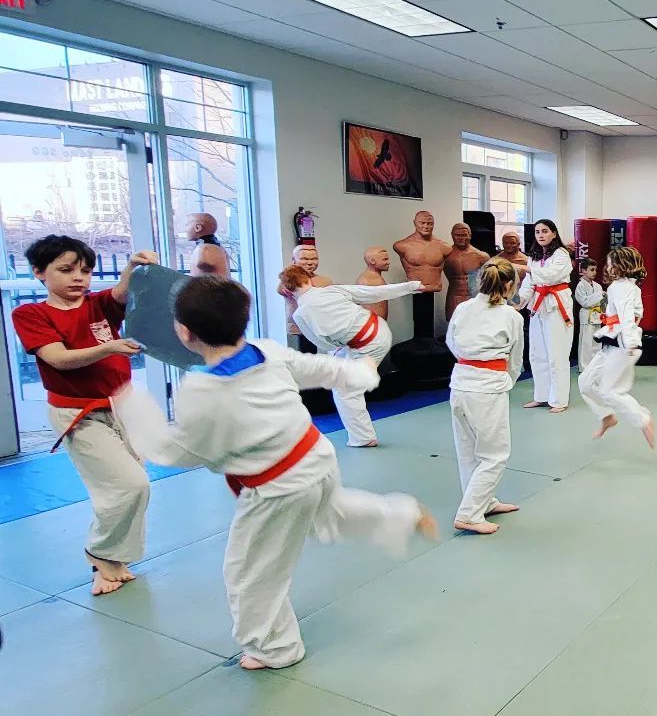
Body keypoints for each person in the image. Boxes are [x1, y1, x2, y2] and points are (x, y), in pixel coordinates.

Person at [112, 276, 437, 671]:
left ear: (183, 332)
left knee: (251, 571)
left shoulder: (201, 390)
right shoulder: (265, 351)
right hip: (316, 458)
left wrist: (132, 408)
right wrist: (363, 372)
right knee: (329, 512)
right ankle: (400, 515)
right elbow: (319, 368)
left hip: (277, 486)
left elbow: (177, 451)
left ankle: (274, 648)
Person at [11, 236, 158, 596]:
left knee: (135, 486)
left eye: (86, 270)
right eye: (66, 269)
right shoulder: (31, 314)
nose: (79, 277)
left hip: (121, 406)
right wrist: (109, 346)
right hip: (78, 413)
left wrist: (132, 269)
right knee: (126, 484)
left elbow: (121, 293)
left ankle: (114, 557)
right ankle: (100, 553)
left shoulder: (97, 305)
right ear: (38, 273)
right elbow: (58, 358)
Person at [282, 265, 427, 447]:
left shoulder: (300, 314)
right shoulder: (332, 290)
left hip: (368, 344)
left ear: (288, 291)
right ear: (310, 280)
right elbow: (372, 293)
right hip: (378, 328)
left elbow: (323, 344)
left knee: (345, 391)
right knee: (338, 356)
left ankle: (363, 438)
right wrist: (412, 286)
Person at [446, 258, 525, 535]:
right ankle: (469, 514)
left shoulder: (463, 308)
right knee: (494, 454)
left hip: (460, 383)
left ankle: (483, 502)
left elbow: (451, 343)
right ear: (508, 285)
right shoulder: (511, 316)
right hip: (488, 388)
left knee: (468, 450)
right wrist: (506, 381)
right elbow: (515, 360)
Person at [580, 247, 655, 448]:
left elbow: (626, 316)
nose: (608, 266)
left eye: (611, 263)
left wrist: (630, 342)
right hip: (613, 341)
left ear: (621, 266)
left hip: (623, 343)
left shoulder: (621, 287)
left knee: (609, 391)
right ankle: (607, 417)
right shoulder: (625, 286)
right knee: (585, 382)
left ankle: (643, 419)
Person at [516, 219, 574, 413]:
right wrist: (518, 302)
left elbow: (550, 275)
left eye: (545, 231)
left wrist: (527, 268)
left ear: (554, 233)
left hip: (556, 306)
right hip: (537, 307)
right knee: (537, 353)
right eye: (537, 232)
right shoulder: (533, 257)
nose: (540, 235)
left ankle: (559, 400)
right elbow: (529, 284)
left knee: (557, 354)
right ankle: (541, 396)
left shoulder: (562, 254)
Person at [279, 244, 333, 338]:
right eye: (304, 259)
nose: (310, 263)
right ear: (294, 260)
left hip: (320, 328)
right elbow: (282, 289)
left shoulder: (325, 281)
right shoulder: (288, 281)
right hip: (297, 329)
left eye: (314, 259)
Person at [575, 257, 605, 372]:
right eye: (591, 270)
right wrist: (599, 296)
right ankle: (584, 367)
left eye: (595, 270)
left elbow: (602, 302)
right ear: (583, 270)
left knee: (597, 343)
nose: (594, 272)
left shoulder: (598, 286)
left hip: (597, 315)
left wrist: (604, 312)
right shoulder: (580, 286)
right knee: (586, 343)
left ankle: (595, 366)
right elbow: (584, 302)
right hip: (586, 315)